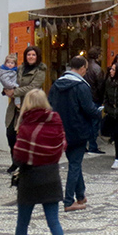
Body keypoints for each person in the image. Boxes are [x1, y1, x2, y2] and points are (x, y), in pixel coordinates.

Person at [6, 89, 69, 235]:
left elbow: (19, 156)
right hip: (51, 176)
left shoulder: (27, 124)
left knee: (22, 222)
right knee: (54, 222)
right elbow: (62, 145)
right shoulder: (56, 121)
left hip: (30, 178)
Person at [48, 56, 103, 212]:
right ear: (82, 68)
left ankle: (80, 195)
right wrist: (100, 112)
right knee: (75, 164)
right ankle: (68, 200)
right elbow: (89, 109)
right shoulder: (81, 87)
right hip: (78, 130)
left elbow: (49, 105)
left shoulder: (57, 84)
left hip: (61, 130)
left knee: (74, 162)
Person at [4, 46, 46, 173]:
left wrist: (15, 92)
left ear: (37, 56)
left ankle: (26, 164)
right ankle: (15, 161)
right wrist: (6, 90)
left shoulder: (40, 71)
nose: (31, 57)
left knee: (25, 137)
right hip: (15, 107)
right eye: (29, 55)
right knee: (10, 134)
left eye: (33, 55)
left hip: (30, 106)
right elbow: (11, 81)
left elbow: (33, 87)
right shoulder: (20, 68)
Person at [84, 47, 105, 155]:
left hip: (85, 98)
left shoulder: (85, 67)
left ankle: (84, 145)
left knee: (86, 122)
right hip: (95, 98)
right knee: (94, 123)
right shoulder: (97, 69)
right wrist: (102, 99)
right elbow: (100, 86)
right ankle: (92, 145)